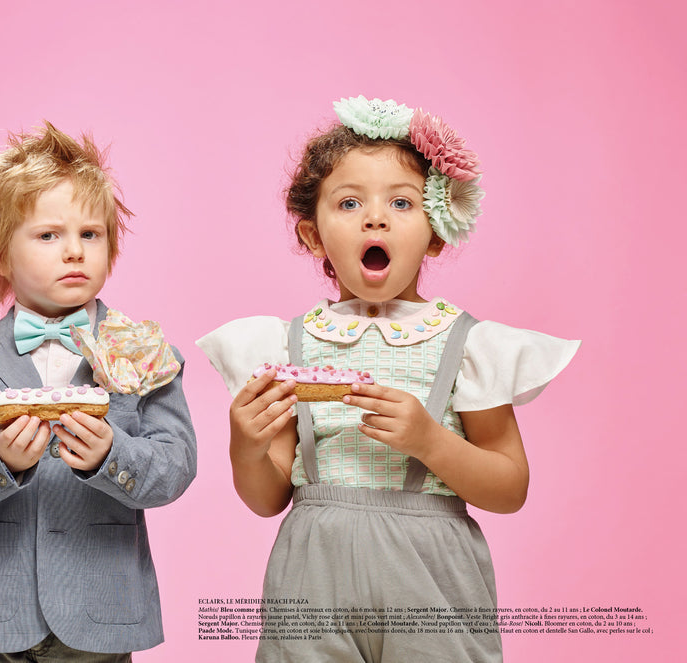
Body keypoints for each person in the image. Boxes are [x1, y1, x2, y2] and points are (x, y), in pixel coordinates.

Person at [197, 96, 579, 662]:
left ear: (436, 234)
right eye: (349, 203)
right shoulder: (285, 345)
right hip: (311, 579)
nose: (374, 218)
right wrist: (245, 447)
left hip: (433, 586)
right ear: (312, 235)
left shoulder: (468, 345)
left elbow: (509, 487)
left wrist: (431, 440)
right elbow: (266, 499)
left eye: (401, 202)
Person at [0, 122, 197, 661]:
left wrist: (111, 456)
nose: (74, 252)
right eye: (48, 235)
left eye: (90, 235)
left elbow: (176, 466)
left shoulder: (143, 349)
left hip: (102, 616)